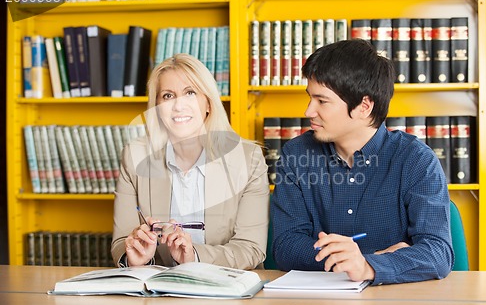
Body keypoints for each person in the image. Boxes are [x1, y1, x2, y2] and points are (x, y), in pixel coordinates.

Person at [271, 39, 454, 284]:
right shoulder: (296, 155)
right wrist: (361, 260)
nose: (308, 111)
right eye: (310, 98)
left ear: (364, 106)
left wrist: (368, 266)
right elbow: (286, 246)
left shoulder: (416, 160)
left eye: (322, 101)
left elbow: (439, 252)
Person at [112, 53, 269, 270]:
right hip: (157, 291)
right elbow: (121, 242)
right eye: (167, 96)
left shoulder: (247, 158)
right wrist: (136, 256)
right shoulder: (135, 156)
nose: (178, 106)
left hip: (227, 291)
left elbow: (251, 248)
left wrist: (193, 256)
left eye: (190, 93)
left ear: (208, 103)